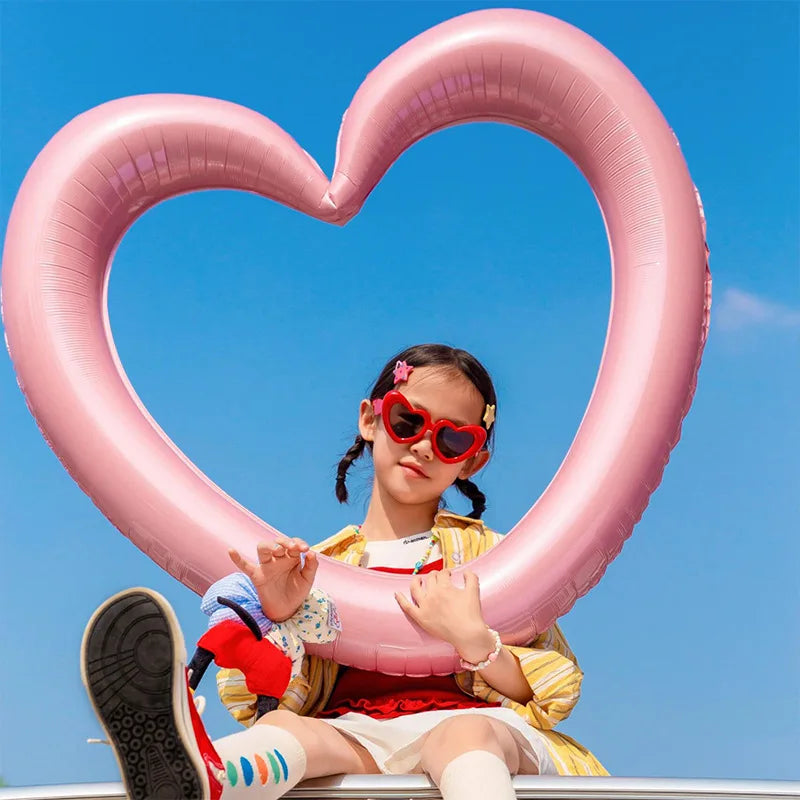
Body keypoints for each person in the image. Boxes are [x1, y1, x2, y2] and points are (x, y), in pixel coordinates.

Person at [82, 344, 608, 800]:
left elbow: (547, 695)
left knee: (463, 735)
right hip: (359, 732)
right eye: (408, 420)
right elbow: (277, 700)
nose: (424, 445)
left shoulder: (494, 561)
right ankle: (200, 778)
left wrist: (478, 642)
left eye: (453, 440)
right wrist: (281, 618)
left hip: (479, 731)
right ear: (371, 418)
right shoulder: (320, 567)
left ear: (471, 462)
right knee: (289, 728)